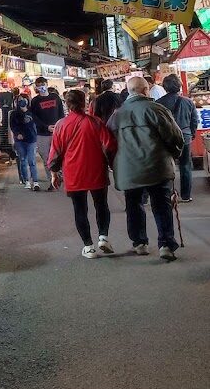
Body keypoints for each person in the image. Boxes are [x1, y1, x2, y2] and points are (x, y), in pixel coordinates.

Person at [107, 75, 184, 262]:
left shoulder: (116, 116)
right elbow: (175, 137)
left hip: (128, 170)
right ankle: (166, 245)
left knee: (133, 205)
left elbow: (108, 144)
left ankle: (140, 243)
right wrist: (175, 154)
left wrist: (114, 165)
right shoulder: (157, 110)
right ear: (145, 90)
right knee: (161, 205)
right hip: (157, 167)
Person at [48, 89, 118, 258]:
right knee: (101, 205)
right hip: (96, 170)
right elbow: (110, 146)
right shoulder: (96, 122)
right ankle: (103, 237)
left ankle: (88, 246)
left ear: (67, 104)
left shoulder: (61, 125)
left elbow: (55, 152)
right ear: (85, 103)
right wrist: (112, 164)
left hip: (73, 173)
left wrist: (54, 173)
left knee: (80, 209)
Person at [160, 73, 198, 203]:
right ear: (179, 86)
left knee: (166, 166)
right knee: (185, 166)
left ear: (165, 87)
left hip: (166, 138)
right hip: (185, 136)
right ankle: (186, 195)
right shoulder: (188, 102)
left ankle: (169, 194)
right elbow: (194, 121)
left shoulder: (159, 103)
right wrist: (191, 133)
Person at [30, 77, 66, 189]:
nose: (41, 87)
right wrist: (46, 127)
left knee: (59, 156)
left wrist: (59, 126)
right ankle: (52, 180)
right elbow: (34, 118)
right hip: (42, 134)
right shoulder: (35, 101)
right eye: (39, 85)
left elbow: (61, 113)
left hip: (57, 132)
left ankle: (59, 175)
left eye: (43, 84)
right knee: (46, 158)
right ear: (36, 87)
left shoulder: (55, 98)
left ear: (47, 84)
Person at [9, 94, 40, 189]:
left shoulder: (32, 112)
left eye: (24, 99)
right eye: (20, 100)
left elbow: (38, 123)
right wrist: (17, 134)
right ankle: (26, 180)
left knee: (32, 161)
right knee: (23, 160)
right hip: (20, 141)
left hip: (31, 139)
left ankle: (35, 182)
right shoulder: (14, 114)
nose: (22, 101)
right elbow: (12, 126)